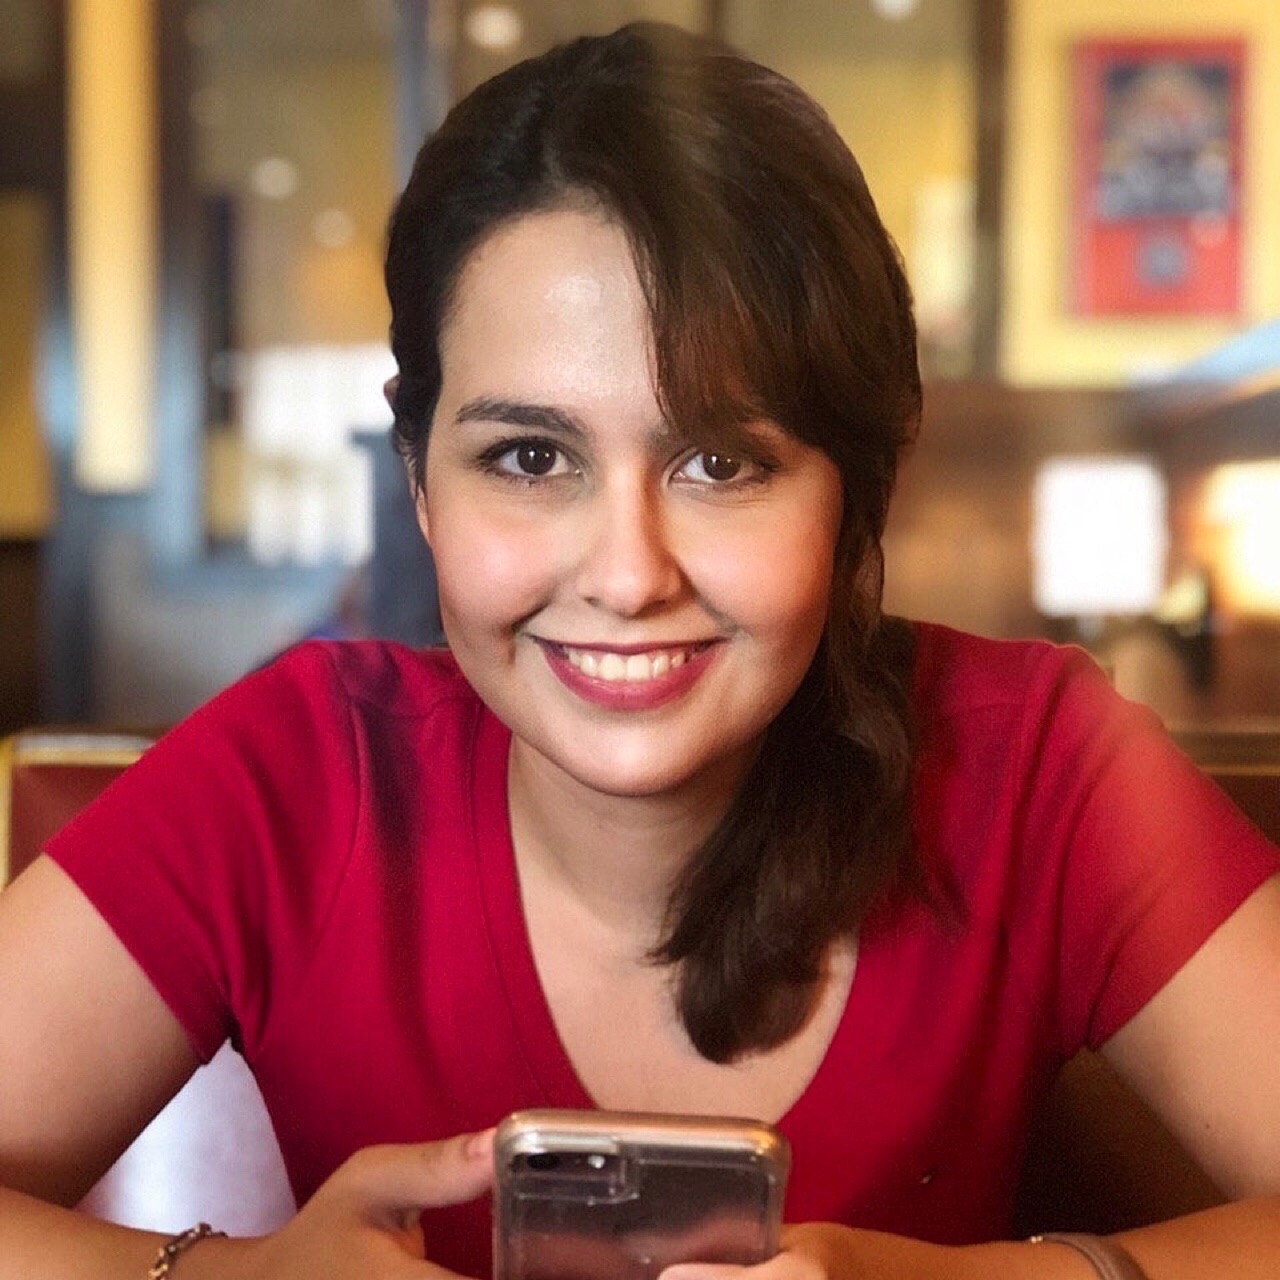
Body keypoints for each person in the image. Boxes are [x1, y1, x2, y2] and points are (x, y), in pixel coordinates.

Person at [2, 21, 1278, 1280]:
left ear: (853, 496)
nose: (626, 575)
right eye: (529, 456)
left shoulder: (1035, 771)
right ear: (420, 481)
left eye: (719, 461)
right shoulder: (297, 775)